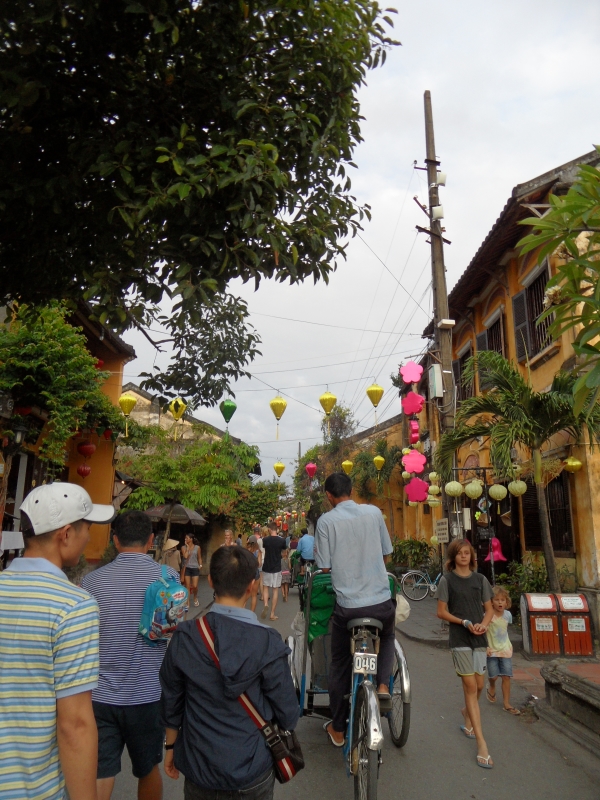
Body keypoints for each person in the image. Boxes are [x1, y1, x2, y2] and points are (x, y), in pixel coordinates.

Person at [0, 483, 114, 800]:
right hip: (31, 788)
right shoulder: (74, 606)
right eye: (86, 528)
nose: (88, 537)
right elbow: (74, 725)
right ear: (65, 534)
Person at [160, 546, 299, 799]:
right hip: (251, 769)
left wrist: (170, 746)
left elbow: (172, 699)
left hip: (199, 767)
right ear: (252, 587)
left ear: (211, 581)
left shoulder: (186, 636)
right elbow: (288, 714)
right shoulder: (267, 642)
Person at [81, 510, 181, 800]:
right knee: (148, 769)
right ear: (151, 540)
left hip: (100, 695)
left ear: (115, 540)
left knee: (100, 771)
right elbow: (173, 632)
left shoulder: (91, 582)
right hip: (148, 694)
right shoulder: (168, 578)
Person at [314, 472, 395, 748]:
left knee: (339, 663)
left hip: (348, 608)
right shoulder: (373, 513)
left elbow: (324, 567)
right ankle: (382, 685)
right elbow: (386, 553)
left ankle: (338, 729)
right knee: (387, 636)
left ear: (329, 496)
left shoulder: (326, 521)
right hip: (381, 603)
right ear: (351, 490)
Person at [436, 538, 494, 769]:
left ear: (471, 556)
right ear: (453, 556)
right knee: (470, 686)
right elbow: (441, 612)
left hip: (479, 637)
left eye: (467, 553)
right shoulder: (446, 580)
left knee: (479, 685)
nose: (463, 556)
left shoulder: (480, 580)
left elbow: (489, 609)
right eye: (459, 553)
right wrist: (464, 622)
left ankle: (466, 711)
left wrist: (483, 625)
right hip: (460, 638)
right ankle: (482, 744)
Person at [486, 586, 519, 715]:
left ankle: (506, 703)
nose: (500, 602)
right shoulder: (487, 615)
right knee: (493, 676)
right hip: (492, 650)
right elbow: (483, 631)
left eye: (502, 600)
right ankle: (491, 686)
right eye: (497, 600)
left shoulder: (508, 615)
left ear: (506, 602)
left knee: (506, 676)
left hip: (505, 649)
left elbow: (504, 629)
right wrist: (486, 647)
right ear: (491, 602)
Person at [260, 522, 287, 621]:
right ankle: (272, 614)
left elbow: (263, 548)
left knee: (265, 587)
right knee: (275, 590)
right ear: (276, 529)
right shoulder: (282, 540)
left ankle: (266, 604)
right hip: (277, 567)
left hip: (267, 566)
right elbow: (284, 552)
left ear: (270, 529)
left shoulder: (265, 540)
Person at [182, 533, 202, 607]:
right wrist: (187, 547)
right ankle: (187, 602)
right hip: (187, 568)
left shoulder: (197, 547)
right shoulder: (183, 547)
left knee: (195, 586)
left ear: (191, 539)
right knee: (187, 586)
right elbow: (185, 556)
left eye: (187, 538)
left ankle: (195, 597)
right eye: (185, 538)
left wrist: (200, 565)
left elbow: (199, 557)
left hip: (195, 568)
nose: (185, 539)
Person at [245, 536, 262, 612]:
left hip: (247, 573)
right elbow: (259, 564)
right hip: (255, 573)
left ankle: (242, 612)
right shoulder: (258, 551)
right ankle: (252, 613)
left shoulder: (246, 551)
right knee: (254, 595)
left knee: (245, 595)